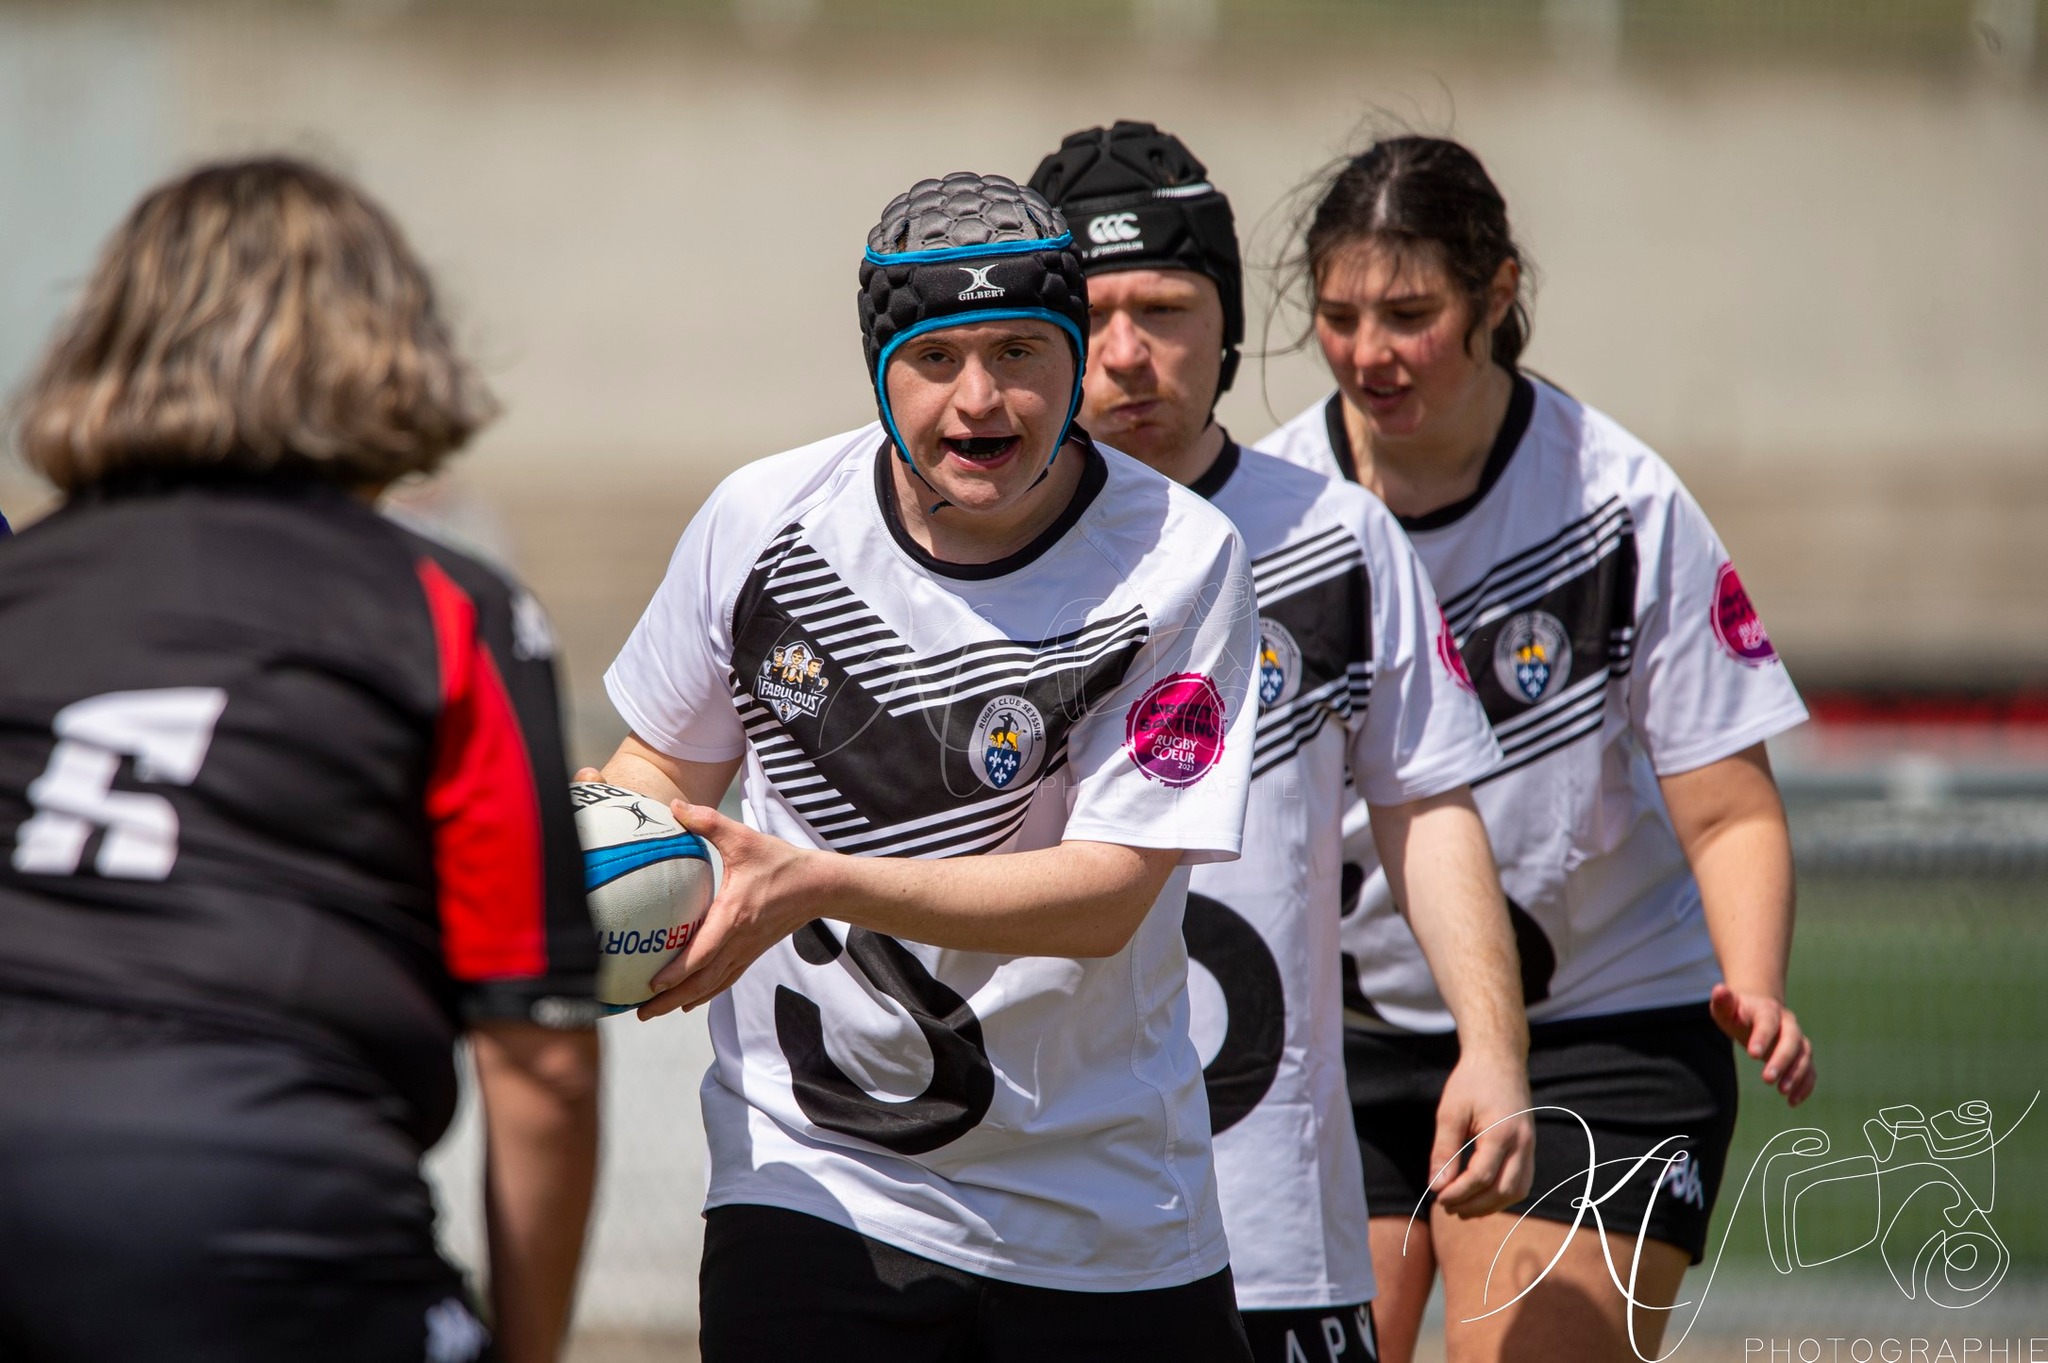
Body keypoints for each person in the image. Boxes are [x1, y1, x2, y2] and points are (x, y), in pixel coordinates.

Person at [594, 171, 1262, 1363]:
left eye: (1018, 348)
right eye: (936, 355)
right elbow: (658, 761)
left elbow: (1109, 893)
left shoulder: (1178, 560)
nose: (980, 397)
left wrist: (813, 882)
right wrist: (607, 876)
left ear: (1073, 359)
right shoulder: (762, 522)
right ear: (878, 366)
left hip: (1102, 1208)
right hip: (810, 1180)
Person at [0, 159, 602, 1363]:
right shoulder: (445, 604)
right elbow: (540, 1064)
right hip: (261, 1209)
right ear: (383, 345)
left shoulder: (21, 586)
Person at [1258, 135, 1817, 1362]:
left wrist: (1756, 979)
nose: (1367, 353)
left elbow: (1726, 812)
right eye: (1339, 315)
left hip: (1603, 1035)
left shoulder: (1619, 503)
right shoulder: (1269, 513)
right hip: (1334, 1049)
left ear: (1495, 295)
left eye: (1410, 314)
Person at [1029, 121, 1534, 1363]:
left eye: (1165, 307)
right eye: (1090, 314)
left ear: (1229, 324)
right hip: (1022, 1215)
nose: (1126, 355)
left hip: (1269, 1237)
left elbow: (1427, 808)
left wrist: (1490, 1043)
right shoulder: (966, 550)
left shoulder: (1332, 535)